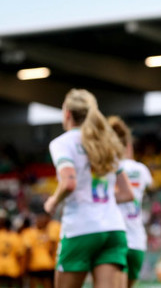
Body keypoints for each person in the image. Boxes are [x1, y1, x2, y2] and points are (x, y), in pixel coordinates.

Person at [44, 88, 134, 288]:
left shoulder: (62, 143)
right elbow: (128, 194)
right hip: (113, 228)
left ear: (67, 113)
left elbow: (68, 182)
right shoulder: (107, 142)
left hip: (80, 228)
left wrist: (52, 201)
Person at [108, 115, 153, 288]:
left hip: (117, 240)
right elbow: (149, 184)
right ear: (128, 145)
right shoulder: (141, 170)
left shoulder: (111, 168)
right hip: (137, 241)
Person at [21, 211, 60, 288]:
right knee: (47, 283)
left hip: (35, 264)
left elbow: (28, 250)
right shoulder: (47, 232)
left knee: (34, 283)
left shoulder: (29, 232)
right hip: (48, 263)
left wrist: (25, 266)